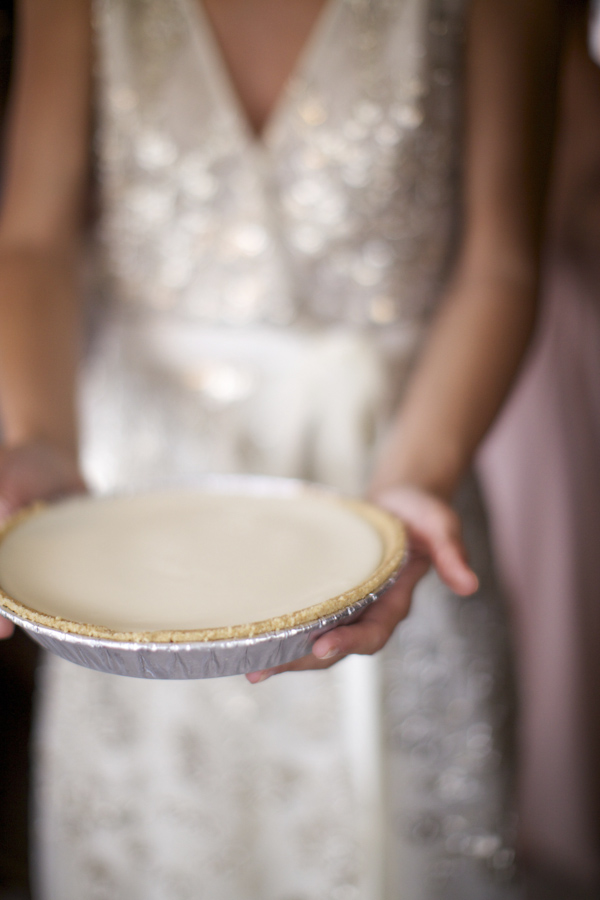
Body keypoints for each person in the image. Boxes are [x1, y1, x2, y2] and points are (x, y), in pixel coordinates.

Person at [0, 1, 562, 898]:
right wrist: (36, 439)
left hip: (393, 477)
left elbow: (501, 261)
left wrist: (417, 479)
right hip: (129, 512)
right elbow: (32, 237)